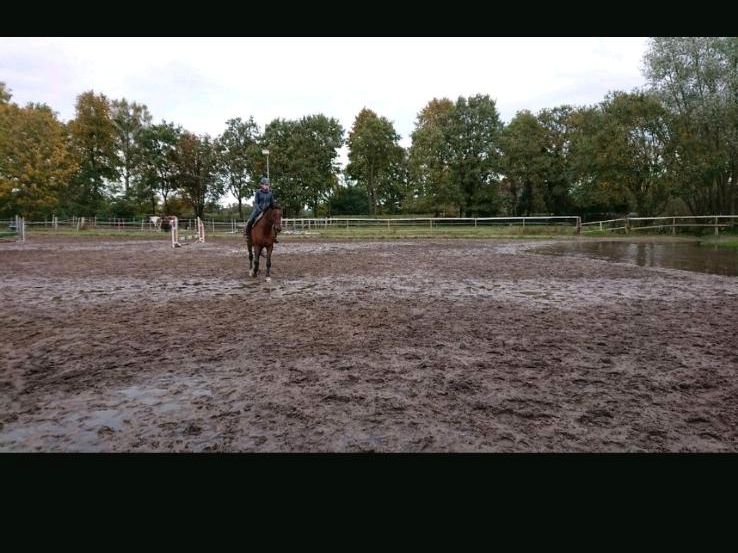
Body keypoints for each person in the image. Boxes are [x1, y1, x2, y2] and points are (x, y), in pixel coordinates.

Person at [245, 176, 278, 243]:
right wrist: (259, 210)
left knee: (275, 221)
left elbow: (272, 203)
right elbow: (256, 203)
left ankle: (274, 237)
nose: (266, 186)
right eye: (265, 184)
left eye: (267, 185)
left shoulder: (270, 193)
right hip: (258, 210)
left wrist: (275, 207)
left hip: (267, 212)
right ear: (261, 185)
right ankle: (248, 235)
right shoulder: (258, 192)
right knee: (250, 220)